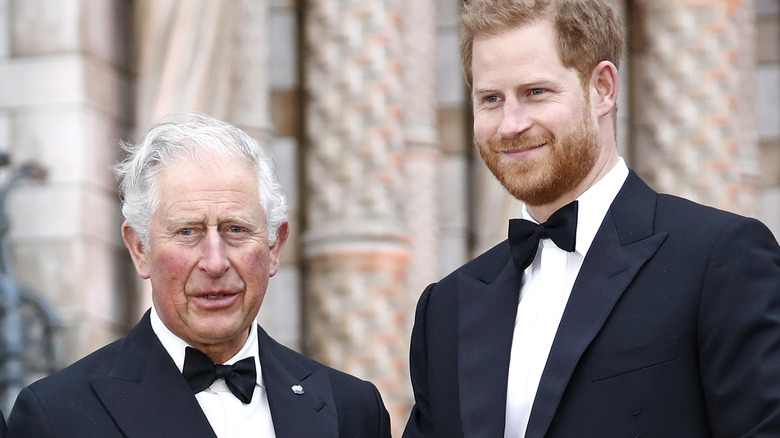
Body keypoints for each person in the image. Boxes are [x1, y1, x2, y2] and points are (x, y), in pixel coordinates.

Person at [403, 0, 780, 437]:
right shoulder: (445, 308)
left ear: (602, 88)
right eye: (491, 99)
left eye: (535, 92)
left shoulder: (719, 258)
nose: (510, 124)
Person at [7, 113, 392, 438]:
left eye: (236, 230)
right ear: (140, 249)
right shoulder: (57, 418)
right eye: (187, 232)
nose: (215, 262)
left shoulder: (354, 410)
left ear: (274, 246)